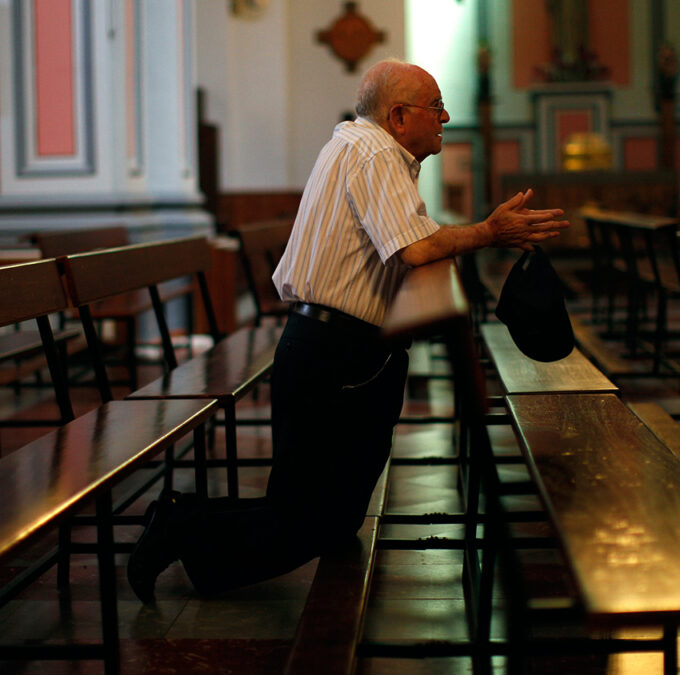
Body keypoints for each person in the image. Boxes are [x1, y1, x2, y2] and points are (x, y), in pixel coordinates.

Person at [127, 58, 566, 601]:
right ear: (399, 116)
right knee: (305, 521)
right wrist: (489, 230)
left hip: (336, 347)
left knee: (332, 518)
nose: (446, 117)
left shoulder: (373, 150)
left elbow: (415, 239)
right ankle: (178, 524)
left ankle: (186, 521)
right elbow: (418, 247)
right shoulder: (376, 151)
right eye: (435, 108)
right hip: (331, 353)